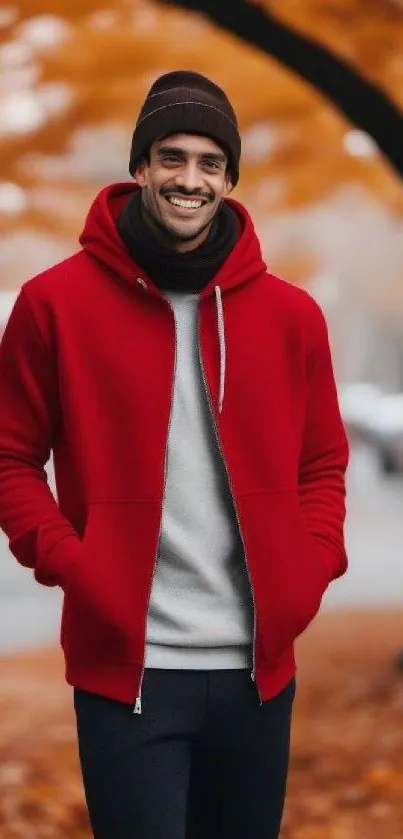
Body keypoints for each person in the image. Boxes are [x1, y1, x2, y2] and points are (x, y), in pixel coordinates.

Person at [0, 70, 349, 839]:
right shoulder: (54, 303)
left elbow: (321, 465)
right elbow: (9, 457)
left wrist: (310, 565)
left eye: (208, 163)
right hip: (126, 673)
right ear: (140, 167)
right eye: (171, 157)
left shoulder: (292, 316)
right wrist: (70, 559)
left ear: (228, 179)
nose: (188, 179)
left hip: (257, 676)